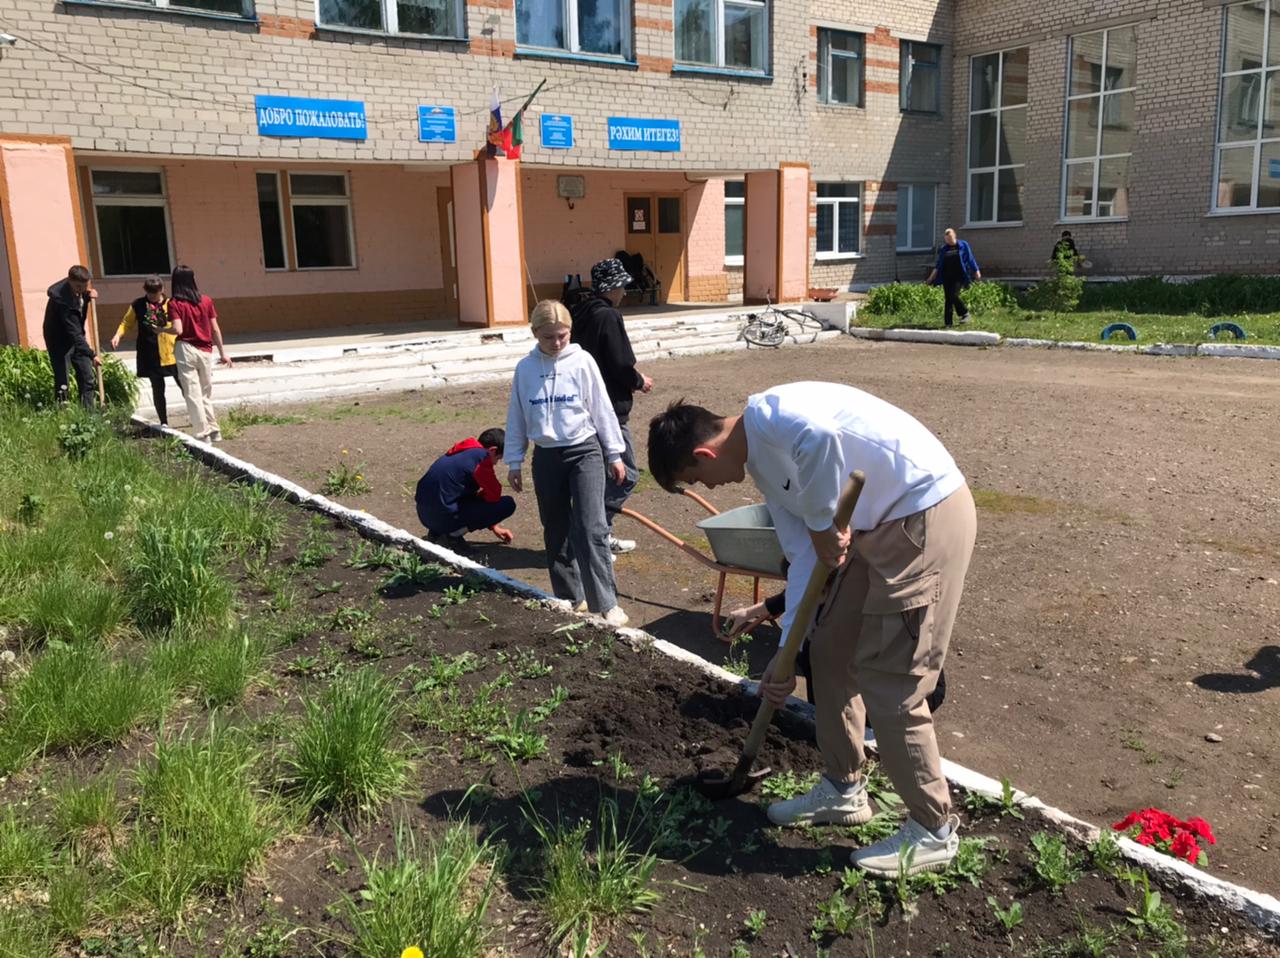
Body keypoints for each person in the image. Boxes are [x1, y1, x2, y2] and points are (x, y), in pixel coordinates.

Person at [648, 382, 977, 878]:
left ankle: (933, 830)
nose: (709, 489)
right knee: (825, 651)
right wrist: (784, 655)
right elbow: (805, 559)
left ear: (702, 452)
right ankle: (844, 788)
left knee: (891, 680)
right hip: (871, 528)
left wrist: (824, 524)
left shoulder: (772, 416)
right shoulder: (764, 470)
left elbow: (821, 438)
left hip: (921, 514)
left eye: (697, 478)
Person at [504, 300, 630, 628]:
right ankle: (569, 598)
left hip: (584, 451)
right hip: (547, 455)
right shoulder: (525, 369)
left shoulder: (582, 361)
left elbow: (601, 406)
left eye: (562, 335)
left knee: (591, 527)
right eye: (549, 337)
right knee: (556, 528)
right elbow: (517, 414)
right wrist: (514, 460)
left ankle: (607, 603)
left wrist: (614, 453)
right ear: (535, 334)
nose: (557, 343)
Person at [723, 589, 948, 714]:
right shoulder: (825, 587)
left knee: (818, 648)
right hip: (862, 689)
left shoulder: (856, 608)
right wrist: (751, 611)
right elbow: (797, 592)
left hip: (906, 694)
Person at [568, 257, 654, 556]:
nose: (625, 292)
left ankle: (598, 535)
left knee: (603, 475)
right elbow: (619, 362)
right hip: (609, 408)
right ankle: (595, 537)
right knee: (625, 474)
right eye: (622, 286)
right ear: (612, 286)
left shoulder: (580, 312)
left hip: (585, 404)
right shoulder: (608, 316)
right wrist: (637, 380)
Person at [415, 427, 516, 547]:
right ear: (493, 450)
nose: (495, 463)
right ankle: (452, 536)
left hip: (425, 515)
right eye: (498, 458)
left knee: (460, 495)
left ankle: (437, 533)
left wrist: (493, 526)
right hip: (441, 519)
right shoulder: (481, 458)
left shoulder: (462, 450)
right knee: (507, 504)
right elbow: (494, 495)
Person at [167, 265, 232, 443]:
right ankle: (215, 430)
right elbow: (215, 329)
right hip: (206, 350)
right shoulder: (206, 301)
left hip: (185, 349)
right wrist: (223, 353)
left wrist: (159, 330)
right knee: (205, 393)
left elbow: (177, 329)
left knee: (192, 393)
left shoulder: (175, 304)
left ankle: (202, 434)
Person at [111, 275, 182, 426]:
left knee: (184, 384)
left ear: (162, 290)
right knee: (157, 387)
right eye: (149, 293)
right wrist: (118, 335)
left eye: (155, 294)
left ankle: (197, 415)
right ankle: (164, 422)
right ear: (145, 290)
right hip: (150, 352)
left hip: (172, 351)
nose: (152, 297)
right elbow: (126, 322)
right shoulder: (138, 304)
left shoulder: (172, 304)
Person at [42, 265, 101, 408]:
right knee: (63, 380)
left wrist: (87, 296)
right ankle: (63, 413)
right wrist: (92, 355)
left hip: (76, 338)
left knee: (87, 376)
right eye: (78, 286)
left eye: (84, 286)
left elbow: (79, 302)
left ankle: (89, 415)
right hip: (58, 341)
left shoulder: (77, 290)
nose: (81, 289)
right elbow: (74, 331)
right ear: (69, 281)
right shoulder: (62, 301)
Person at [925, 228, 981, 328]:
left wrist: (976, 271)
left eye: (950, 239)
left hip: (958, 276)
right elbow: (939, 265)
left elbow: (970, 258)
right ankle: (948, 323)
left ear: (954, 236)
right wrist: (930, 278)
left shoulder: (963, 245)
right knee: (948, 299)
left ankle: (965, 313)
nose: (949, 241)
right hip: (946, 276)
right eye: (947, 239)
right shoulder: (944, 249)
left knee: (954, 295)